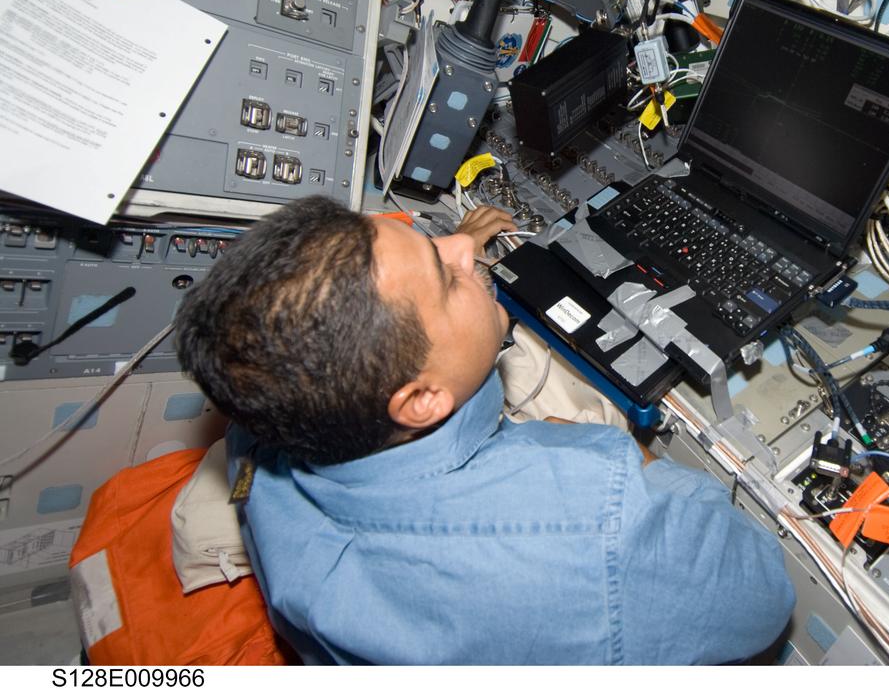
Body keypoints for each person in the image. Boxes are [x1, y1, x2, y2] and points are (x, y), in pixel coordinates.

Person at [173, 196, 795, 665]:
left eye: (428, 242)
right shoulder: (595, 517)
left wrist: (444, 261)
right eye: (445, 277)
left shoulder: (268, 420)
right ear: (420, 400)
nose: (462, 249)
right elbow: (766, 597)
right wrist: (636, 462)